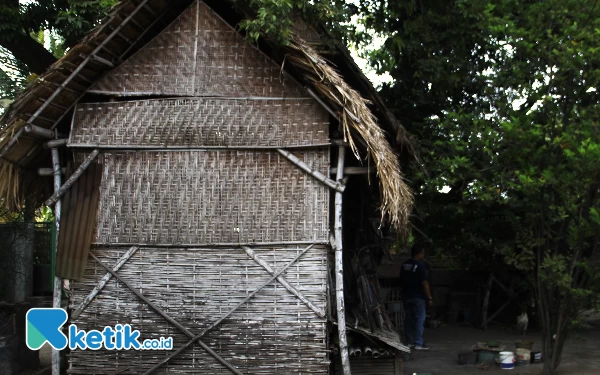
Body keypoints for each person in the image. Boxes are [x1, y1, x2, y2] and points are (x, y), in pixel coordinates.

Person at [400, 244, 433, 350]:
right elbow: (425, 283)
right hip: (418, 296)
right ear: (418, 253)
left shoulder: (405, 265)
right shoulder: (420, 265)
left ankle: (409, 342)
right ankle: (418, 343)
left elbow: (401, 280)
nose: (424, 255)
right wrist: (429, 298)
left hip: (407, 296)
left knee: (408, 319)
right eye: (423, 252)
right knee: (419, 319)